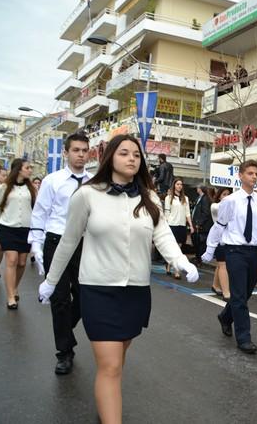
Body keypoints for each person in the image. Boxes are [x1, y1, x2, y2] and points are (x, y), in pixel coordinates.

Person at [38, 134, 198, 423]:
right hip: (98, 291)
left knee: (116, 362)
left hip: (135, 292)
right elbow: (69, 240)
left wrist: (181, 261)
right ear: (110, 157)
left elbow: (161, 234)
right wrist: (51, 280)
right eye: (124, 153)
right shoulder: (87, 194)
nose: (131, 159)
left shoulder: (149, 197)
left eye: (136, 155)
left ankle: (107, 401)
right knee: (110, 366)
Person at [203, 160, 257, 354]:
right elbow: (220, 226)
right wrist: (210, 249)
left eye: (256, 174)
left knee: (247, 291)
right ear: (240, 176)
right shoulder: (230, 201)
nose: (254, 177)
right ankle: (244, 338)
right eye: (250, 173)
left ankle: (225, 316)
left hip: (253, 252)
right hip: (234, 251)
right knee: (239, 295)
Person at [29, 132, 91, 374]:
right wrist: (37, 245)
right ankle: (64, 352)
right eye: (76, 150)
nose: (81, 155)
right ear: (66, 153)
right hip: (56, 240)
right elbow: (40, 213)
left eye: (84, 150)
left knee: (87, 296)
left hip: (85, 243)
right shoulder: (52, 181)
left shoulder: (94, 182)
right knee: (60, 299)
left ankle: (65, 331)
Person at [0, 158, 35, 309]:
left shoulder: (31, 189)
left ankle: (15, 286)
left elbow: (35, 210)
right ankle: (10, 296)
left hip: (25, 229)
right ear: (18, 169)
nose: (30, 170)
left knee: (22, 262)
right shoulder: (3, 187)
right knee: (11, 260)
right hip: (7, 228)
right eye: (27, 167)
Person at [164, 178, 194, 279]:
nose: (179, 186)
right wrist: (166, 226)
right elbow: (167, 212)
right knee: (174, 248)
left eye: (181, 184)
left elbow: (187, 213)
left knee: (179, 248)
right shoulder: (169, 198)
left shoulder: (185, 198)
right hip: (172, 225)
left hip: (182, 226)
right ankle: (175, 270)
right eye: (177, 184)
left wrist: (191, 225)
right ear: (174, 185)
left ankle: (171, 266)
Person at [209, 188, 232, 298]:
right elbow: (221, 210)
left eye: (228, 194)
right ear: (219, 196)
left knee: (220, 264)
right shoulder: (215, 206)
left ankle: (215, 285)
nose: (226, 196)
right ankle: (226, 292)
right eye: (224, 194)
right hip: (219, 239)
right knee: (223, 265)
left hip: (229, 239)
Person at [192, 185, 213, 264]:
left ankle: (200, 260)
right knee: (197, 242)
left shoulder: (205, 199)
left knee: (200, 244)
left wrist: (199, 223)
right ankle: (198, 259)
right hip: (197, 225)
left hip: (202, 226)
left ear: (200, 189)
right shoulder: (199, 198)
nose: (196, 189)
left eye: (197, 188)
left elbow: (205, 213)